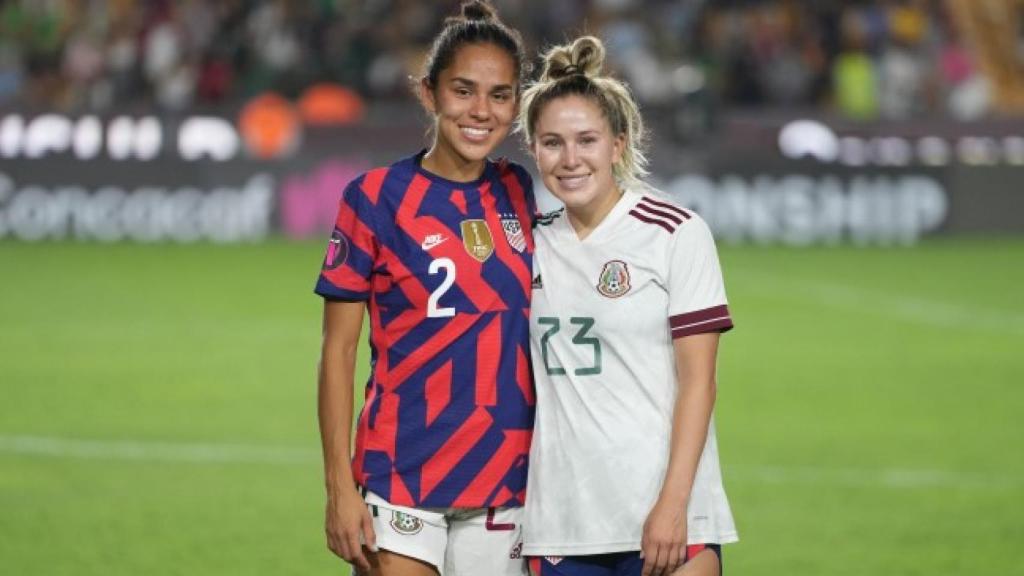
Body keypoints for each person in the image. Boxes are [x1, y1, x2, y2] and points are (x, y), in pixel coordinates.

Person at [314, 2, 535, 575]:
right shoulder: (374, 198)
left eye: (500, 95)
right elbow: (337, 352)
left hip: (506, 475)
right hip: (400, 470)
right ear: (428, 93)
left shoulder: (521, 192)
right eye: (463, 90)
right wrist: (339, 487)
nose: (481, 111)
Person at [517, 36, 738, 576]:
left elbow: (699, 383)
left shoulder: (674, 233)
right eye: (552, 143)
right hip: (563, 519)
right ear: (533, 149)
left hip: (667, 515)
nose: (570, 159)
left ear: (618, 144)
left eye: (586, 140)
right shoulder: (527, 243)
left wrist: (672, 505)